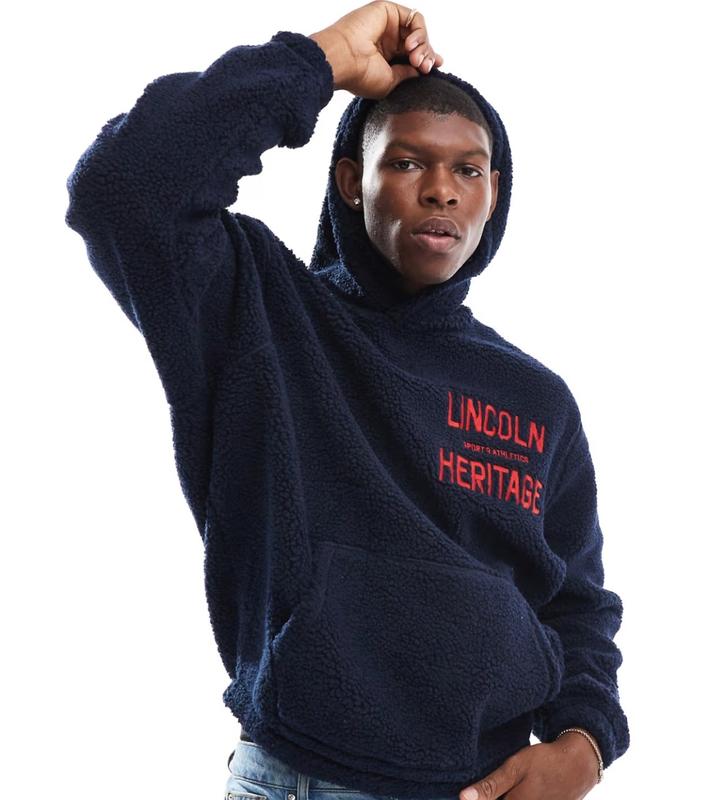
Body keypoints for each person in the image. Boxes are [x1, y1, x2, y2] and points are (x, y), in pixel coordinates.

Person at [64, 3, 630, 799]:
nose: (441, 192)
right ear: (349, 182)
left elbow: (576, 603)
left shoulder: (537, 398)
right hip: (299, 778)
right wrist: (321, 58)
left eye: (467, 170)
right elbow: (125, 187)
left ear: (494, 193)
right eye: (406, 162)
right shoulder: (259, 312)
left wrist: (587, 741)